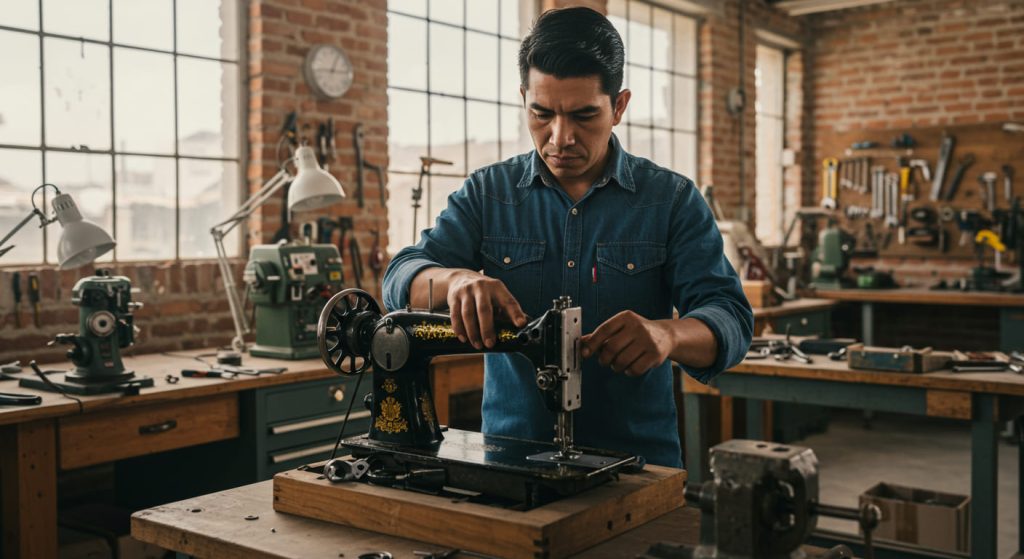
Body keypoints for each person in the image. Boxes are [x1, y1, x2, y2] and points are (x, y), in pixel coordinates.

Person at [382, 6, 752, 468]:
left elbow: (732, 319)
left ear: (619, 106)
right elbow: (400, 277)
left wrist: (668, 334)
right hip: (509, 462)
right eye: (541, 114)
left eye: (583, 116)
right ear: (523, 98)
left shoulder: (671, 200)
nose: (560, 138)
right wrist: (454, 281)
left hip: (639, 468)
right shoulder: (487, 194)